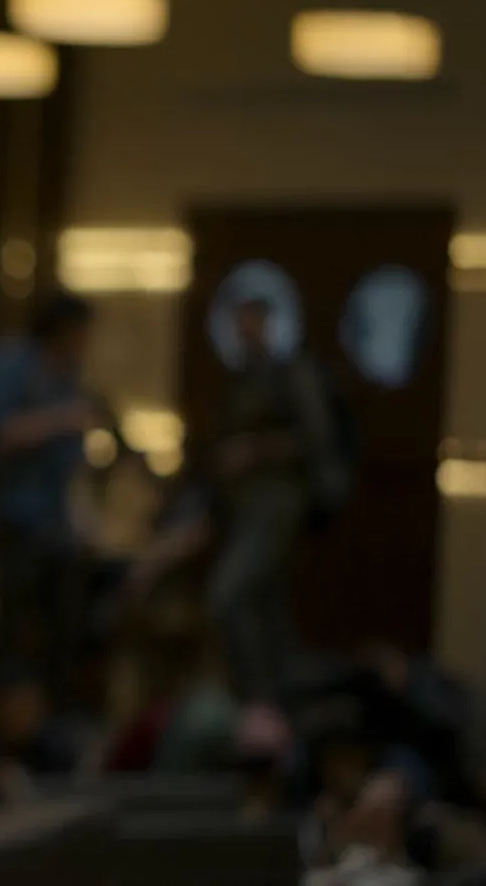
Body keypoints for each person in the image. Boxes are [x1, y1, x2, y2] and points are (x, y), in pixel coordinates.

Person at [0, 293, 103, 695]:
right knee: (12, 623)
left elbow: (71, 465)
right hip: (12, 515)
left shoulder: (67, 375)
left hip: (56, 524)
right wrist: (61, 420)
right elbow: (0, 434)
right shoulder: (11, 364)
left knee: (63, 621)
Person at [209, 295, 341, 704]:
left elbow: (315, 438)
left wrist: (253, 452)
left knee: (230, 595)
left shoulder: (290, 375)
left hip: (278, 504)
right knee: (265, 606)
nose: (244, 331)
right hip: (245, 507)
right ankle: (273, 701)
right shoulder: (243, 380)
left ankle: (260, 699)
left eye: (251, 321)